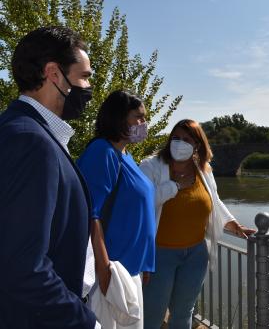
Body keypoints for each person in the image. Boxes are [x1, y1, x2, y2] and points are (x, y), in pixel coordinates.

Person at [0, 26, 96, 328]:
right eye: (84, 76)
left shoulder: (25, 131)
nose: (88, 87)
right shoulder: (30, 142)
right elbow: (22, 265)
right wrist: (84, 322)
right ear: (54, 73)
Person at [140, 119, 254, 329]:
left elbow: (214, 200)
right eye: (175, 138)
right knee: (153, 313)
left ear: (197, 145)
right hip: (160, 253)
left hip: (196, 254)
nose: (179, 143)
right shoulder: (151, 166)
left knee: (184, 313)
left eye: (186, 139)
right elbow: (142, 201)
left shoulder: (204, 170)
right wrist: (174, 186)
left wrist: (232, 224)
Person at [77, 90, 156, 328]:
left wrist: (144, 264)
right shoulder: (103, 152)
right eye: (137, 117)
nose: (143, 124)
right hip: (111, 275)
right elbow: (92, 214)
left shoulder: (125, 155)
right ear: (118, 117)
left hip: (128, 270)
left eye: (144, 118)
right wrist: (104, 272)